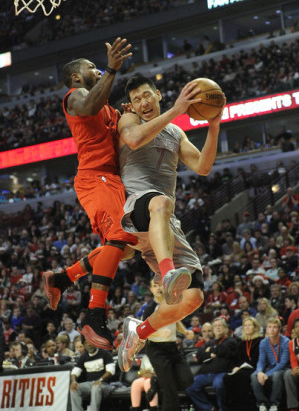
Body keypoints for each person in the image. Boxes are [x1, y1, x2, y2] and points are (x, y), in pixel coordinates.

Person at [43, 39, 193, 349]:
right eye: (91, 68)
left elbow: (123, 132)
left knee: (125, 248)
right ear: (75, 77)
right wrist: (112, 68)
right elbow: (89, 106)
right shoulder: (76, 97)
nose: (96, 71)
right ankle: (94, 313)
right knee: (118, 238)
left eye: (100, 69)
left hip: (112, 180)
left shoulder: (110, 109)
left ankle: (62, 278)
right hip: (94, 177)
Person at [117, 75, 225, 371]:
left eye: (146, 95)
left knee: (193, 297)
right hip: (133, 209)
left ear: (158, 94)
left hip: (163, 222)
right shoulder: (127, 120)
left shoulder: (176, 133)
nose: (142, 102)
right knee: (161, 201)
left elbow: (203, 166)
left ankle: (137, 333)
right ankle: (167, 273)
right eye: (136, 98)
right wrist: (178, 108)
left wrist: (213, 125)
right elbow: (135, 139)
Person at [142, 278, 194, 411]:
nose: (158, 288)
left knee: (187, 379)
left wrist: (185, 332)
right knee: (171, 392)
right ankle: (162, 383)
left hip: (172, 348)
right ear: (151, 290)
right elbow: (143, 333)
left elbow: (175, 320)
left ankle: (157, 381)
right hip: (156, 350)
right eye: (155, 286)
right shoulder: (149, 309)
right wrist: (159, 334)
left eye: (160, 285)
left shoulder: (170, 303)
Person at [186, 316, 238, 411]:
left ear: (225, 329)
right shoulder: (209, 343)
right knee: (189, 386)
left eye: (220, 326)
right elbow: (200, 355)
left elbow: (223, 350)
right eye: (215, 326)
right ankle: (210, 408)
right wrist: (212, 353)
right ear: (213, 330)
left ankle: (223, 408)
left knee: (218, 385)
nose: (218, 328)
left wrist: (210, 351)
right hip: (205, 374)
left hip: (221, 372)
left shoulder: (231, 341)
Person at [250, 317, 290, 411]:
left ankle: (274, 403)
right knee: (254, 375)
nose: (272, 330)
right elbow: (261, 360)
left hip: (283, 368)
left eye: (275, 327)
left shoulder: (286, 342)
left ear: (279, 329)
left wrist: (267, 374)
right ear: (266, 329)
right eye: (270, 327)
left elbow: (283, 363)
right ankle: (262, 402)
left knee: (276, 375)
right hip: (270, 367)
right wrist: (260, 372)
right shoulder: (263, 342)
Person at [223, 317, 263, 411]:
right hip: (243, 368)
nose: (247, 327)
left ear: (255, 327)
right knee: (227, 377)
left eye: (249, 325)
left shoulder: (260, 341)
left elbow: (261, 358)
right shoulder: (241, 343)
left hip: (256, 367)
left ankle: (245, 406)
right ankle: (233, 406)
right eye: (245, 325)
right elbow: (238, 359)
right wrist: (236, 367)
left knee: (240, 376)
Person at [70, 337, 115, 411]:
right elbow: (75, 372)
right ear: (84, 345)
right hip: (89, 384)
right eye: (86, 343)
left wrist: (100, 380)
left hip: (104, 384)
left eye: (90, 342)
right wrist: (74, 381)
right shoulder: (83, 357)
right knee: (74, 388)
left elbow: (110, 371)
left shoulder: (105, 354)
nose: (88, 345)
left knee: (96, 386)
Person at [284, 318, 299, 411]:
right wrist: (295, 368)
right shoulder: (292, 343)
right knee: (288, 374)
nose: (298, 329)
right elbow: (293, 360)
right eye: (296, 327)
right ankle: (293, 407)